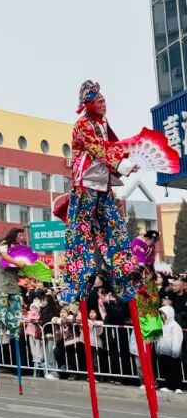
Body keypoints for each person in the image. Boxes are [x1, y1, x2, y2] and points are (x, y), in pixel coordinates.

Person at [62, 81, 140, 304]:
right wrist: (121, 165)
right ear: (89, 105)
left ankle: (124, 275)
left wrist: (126, 162)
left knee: (115, 228)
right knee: (80, 232)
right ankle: (79, 278)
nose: (105, 104)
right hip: (85, 185)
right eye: (100, 101)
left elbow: (113, 147)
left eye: (105, 100)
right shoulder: (82, 125)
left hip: (103, 186)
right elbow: (97, 148)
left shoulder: (103, 123)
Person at [0, 229, 28, 347]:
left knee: (14, 311)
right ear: (14, 235)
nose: (21, 237)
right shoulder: (4, 244)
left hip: (12, 284)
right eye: (20, 235)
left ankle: (13, 335)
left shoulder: (19, 248)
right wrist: (17, 263)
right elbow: (5, 256)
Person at [154, 304, 185, 393]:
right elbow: (160, 338)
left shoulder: (175, 326)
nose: (162, 316)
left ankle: (178, 386)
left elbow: (177, 340)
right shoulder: (162, 325)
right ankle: (169, 385)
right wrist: (158, 349)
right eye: (161, 314)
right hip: (164, 352)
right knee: (166, 369)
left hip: (172, 353)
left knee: (175, 369)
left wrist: (175, 352)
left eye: (163, 314)